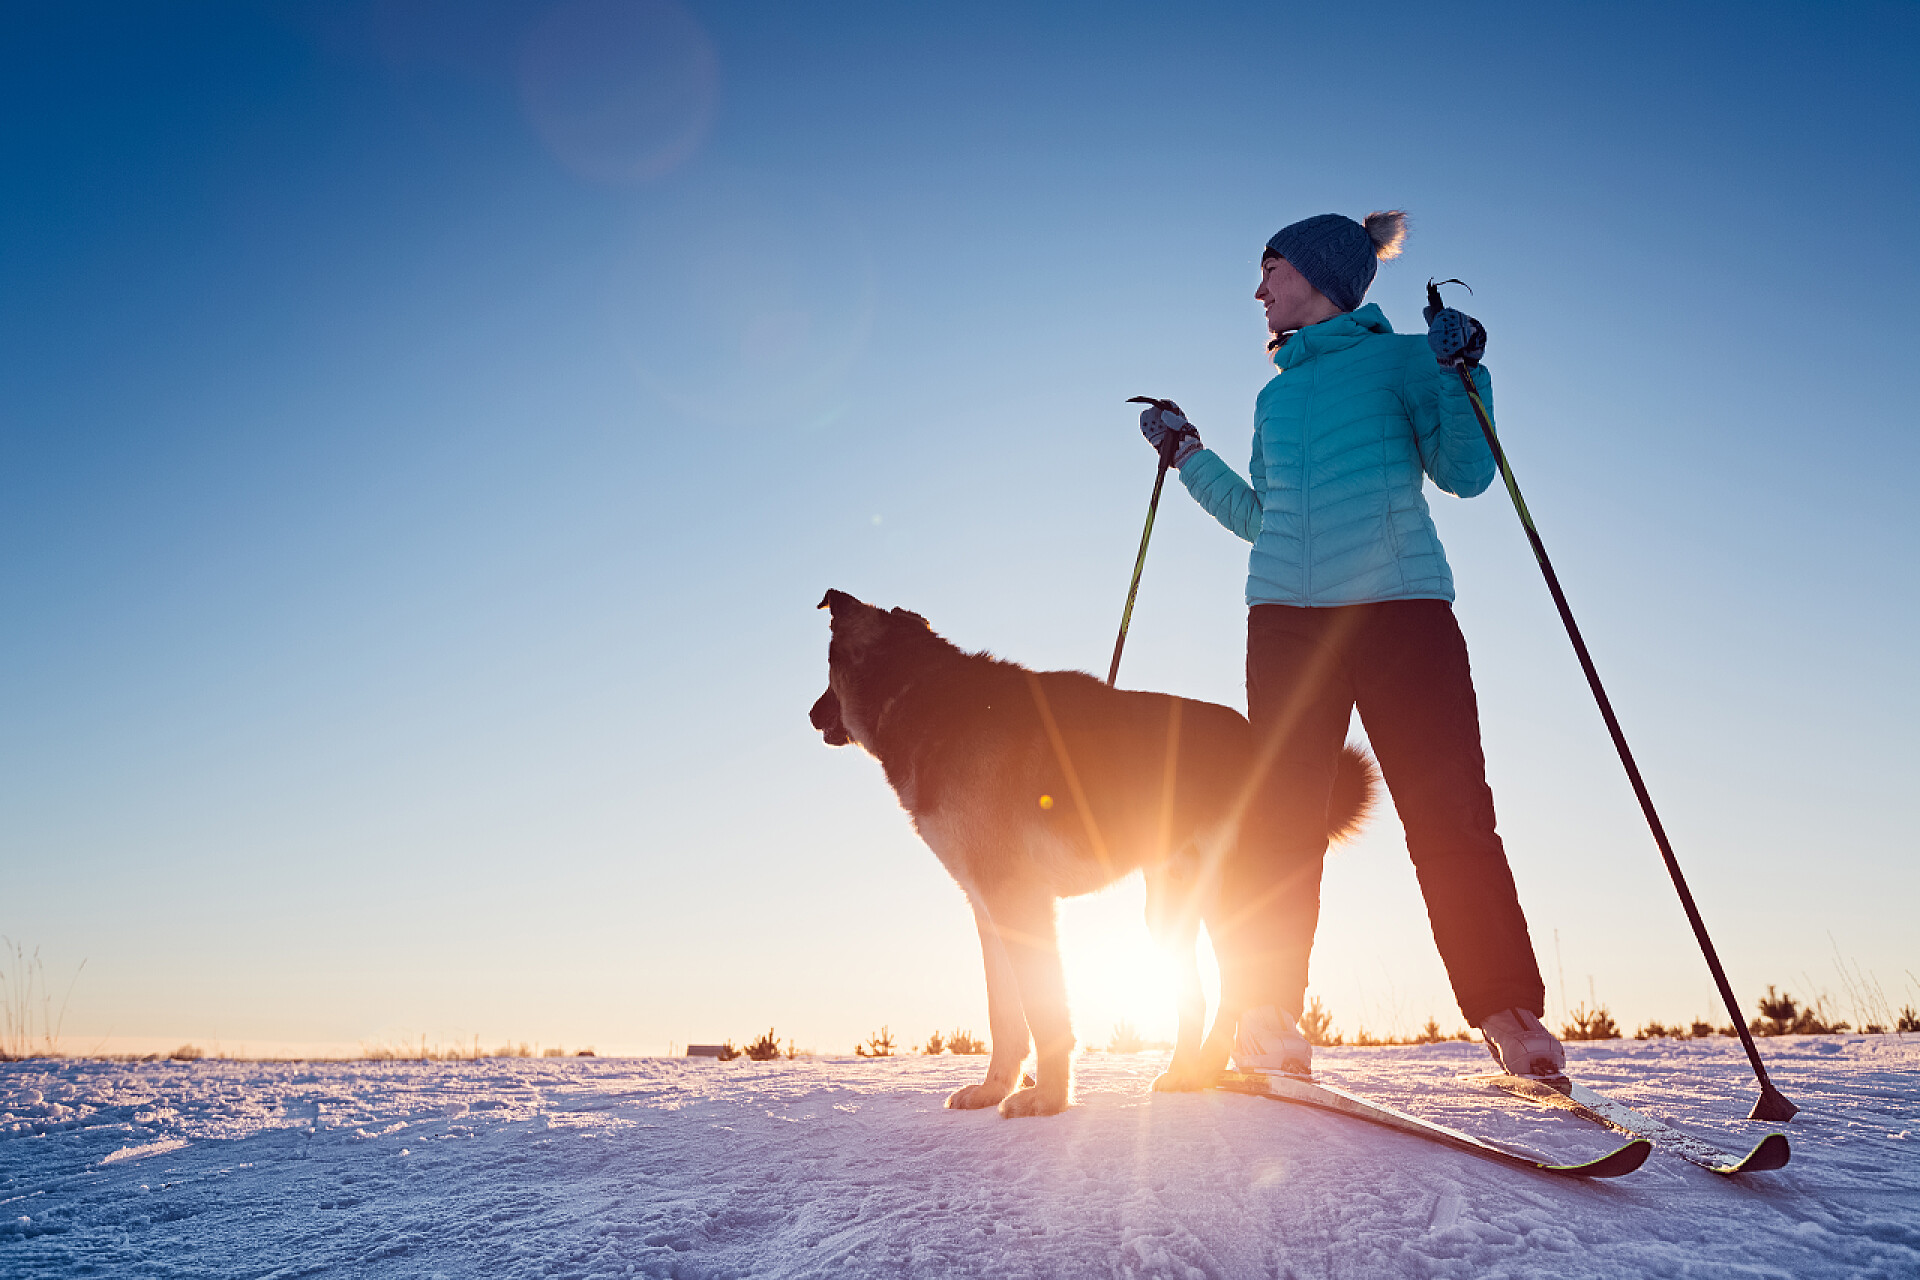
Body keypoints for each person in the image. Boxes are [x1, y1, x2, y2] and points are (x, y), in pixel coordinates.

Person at [1138, 210, 1566, 1079]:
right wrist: (1189, 456)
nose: (1258, 292)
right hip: (1287, 622)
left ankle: (1508, 1012)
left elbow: (1468, 473)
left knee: (1449, 809)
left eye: (1271, 272)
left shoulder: (1410, 358)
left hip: (1401, 609)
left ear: (1318, 272)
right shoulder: (1275, 395)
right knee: (1280, 822)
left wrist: (1465, 371)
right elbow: (1263, 519)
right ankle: (1266, 1014)